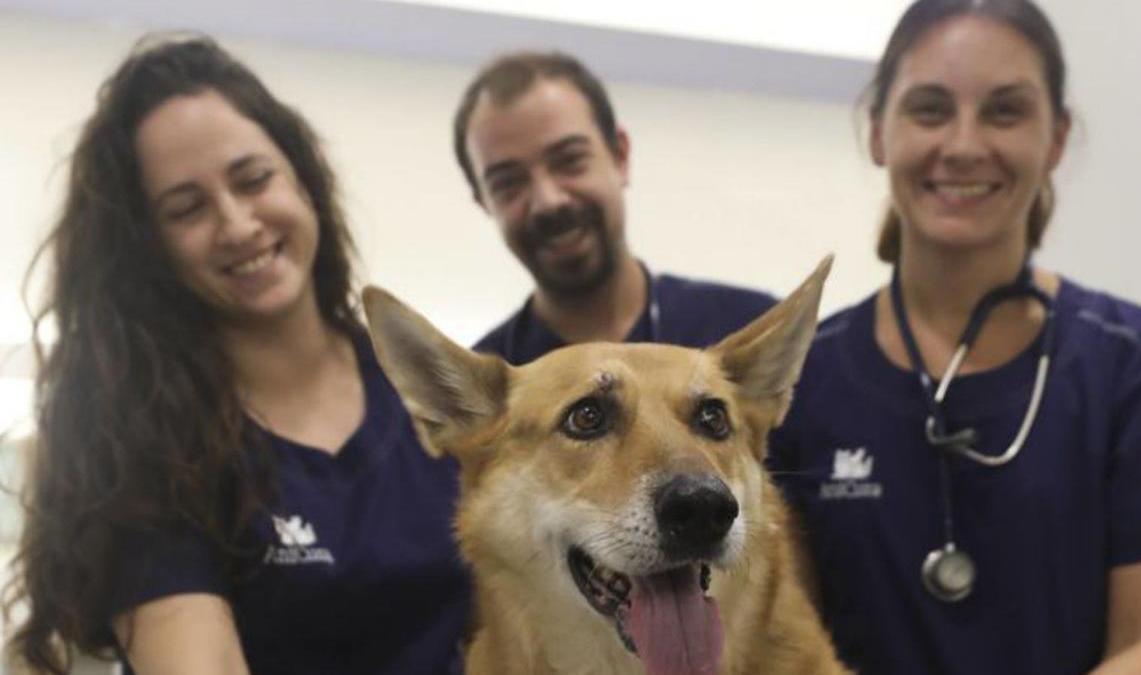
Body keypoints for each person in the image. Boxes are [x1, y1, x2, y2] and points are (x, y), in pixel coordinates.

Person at [3, 35, 470, 675]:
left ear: (303, 176)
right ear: (150, 249)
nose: (238, 224)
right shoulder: (145, 447)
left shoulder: (424, 390)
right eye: (187, 208)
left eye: (254, 180)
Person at [768, 1, 1141, 673]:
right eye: (930, 109)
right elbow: (787, 643)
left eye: (1004, 111)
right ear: (878, 131)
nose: (965, 145)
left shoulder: (1139, 366)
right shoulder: (805, 379)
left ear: (1055, 139)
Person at [453, 51, 780, 362]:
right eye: (508, 183)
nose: (548, 201)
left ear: (620, 155)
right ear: (484, 201)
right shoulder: (484, 406)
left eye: (569, 160)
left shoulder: (759, 335)